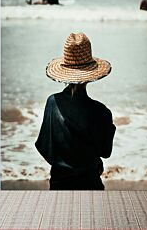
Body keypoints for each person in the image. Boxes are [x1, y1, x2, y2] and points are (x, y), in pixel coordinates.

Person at [35, 33, 116, 190]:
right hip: (90, 181)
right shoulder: (101, 111)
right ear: (91, 74)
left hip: (59, 181)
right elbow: (106, 152)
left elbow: (45, 147)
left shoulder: (52, 102)